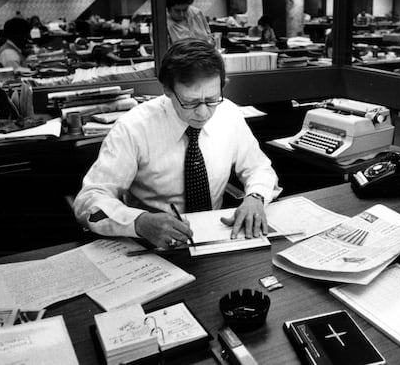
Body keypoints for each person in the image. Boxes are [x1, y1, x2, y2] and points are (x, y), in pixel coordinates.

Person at [73, 38, 280, 248]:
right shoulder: (133, 128)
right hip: (154, 246)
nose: (203, 112)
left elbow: (259, 168)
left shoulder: (229, 114)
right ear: (168, 90)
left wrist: (255, 197)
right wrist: (138, 222)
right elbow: (89, 200)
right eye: (190, 102)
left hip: (217, 237)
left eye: (212, 99)